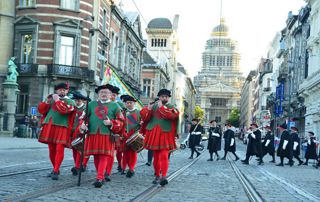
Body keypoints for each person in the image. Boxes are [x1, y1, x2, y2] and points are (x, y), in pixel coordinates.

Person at [80, 84, 124, 188]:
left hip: (107, 134)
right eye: (101, 92)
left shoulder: (115, 106)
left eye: (106, 93)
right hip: (93, 133)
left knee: (104, 156)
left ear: (110, 95)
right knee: (96, 156)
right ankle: (101, 176)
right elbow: (84, 117)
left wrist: (111, 123)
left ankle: (99, 177)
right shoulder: (91, 104)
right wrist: (82, 125)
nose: (104, 94)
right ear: (98, 94)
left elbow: (121, 121)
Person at [140, 89, 179, 186]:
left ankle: (164, 176)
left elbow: (171, 116)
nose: (164, 98)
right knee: (156, 157)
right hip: (153, 133)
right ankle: (157, 175)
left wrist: (161, 107)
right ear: (159, 97)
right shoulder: (153, 106)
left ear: (168, 98)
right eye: (162, 96)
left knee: (164, 155)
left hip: (166, 134)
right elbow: (145, 118)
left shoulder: (172, 107)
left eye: (166, 97)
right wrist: (148, 109)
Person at [38, 82, 76, 180]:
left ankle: (56, 170)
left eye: (64, 90)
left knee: (59, 148)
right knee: (52, 149)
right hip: (50, 125)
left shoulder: (70, 102)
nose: (62, 91)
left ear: (67, 91)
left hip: (62, 127)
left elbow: (64, 110)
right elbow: (42, 111)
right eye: (59, 90)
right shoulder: (52, 99)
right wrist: (47, 101)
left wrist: (57, 100)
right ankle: (55, 168)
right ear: (56, 90)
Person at [70, 91, 90, 176]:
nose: (77, 102)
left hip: (82, 132)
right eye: (76, 100)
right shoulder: (72, 109)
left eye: (79, 100)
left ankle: (78, 166)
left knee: (80, 150)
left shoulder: (86, 109)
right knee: (74, 150)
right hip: (73, 132)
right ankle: (77, 164)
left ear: (83, 101)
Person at [121, 95, 141, 178]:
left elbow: (141, 124)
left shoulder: (138, 113)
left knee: (133, 153)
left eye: (130, 103)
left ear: (134, 103)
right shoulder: (123, 112)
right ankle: (123, 167)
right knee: (125, 152)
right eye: (127, 103)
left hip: (134, 135)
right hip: (124, 134)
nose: (129, 104)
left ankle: (131, 168)